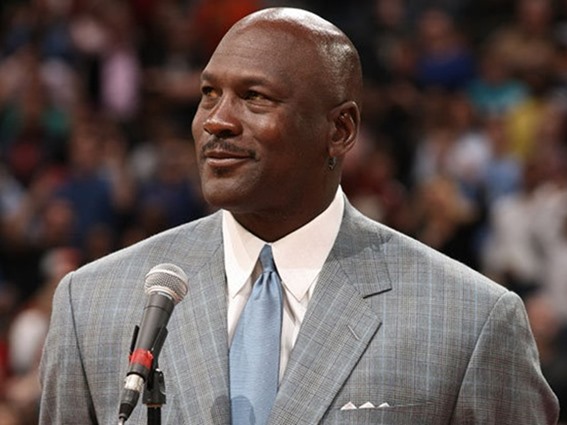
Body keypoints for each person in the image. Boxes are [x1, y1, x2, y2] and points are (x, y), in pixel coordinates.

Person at [39, 7, 559, 425]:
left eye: (254, 97)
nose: (216, 121)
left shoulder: (471, 320)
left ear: (340, 131)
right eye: (209, 94)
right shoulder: (92, 302)